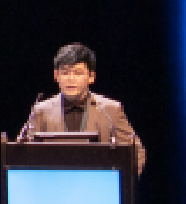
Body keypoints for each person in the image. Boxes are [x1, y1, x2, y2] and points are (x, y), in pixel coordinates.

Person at [15, 43, 146, 172]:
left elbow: (136, 152)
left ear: (91, 77)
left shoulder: (110, 110)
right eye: (65, 73)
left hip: (98, 183)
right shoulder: (41, 110)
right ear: (56, 76)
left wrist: (123, 182)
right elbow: (23, 153)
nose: (70, 79)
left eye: (78, 73)